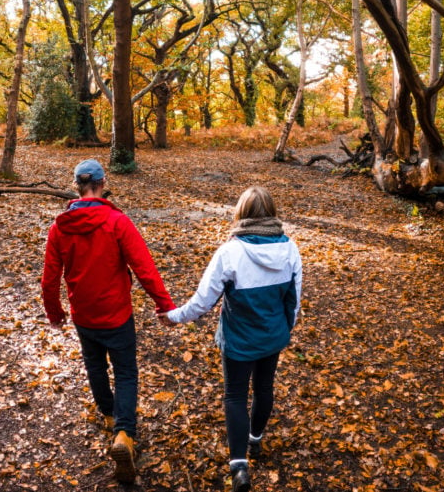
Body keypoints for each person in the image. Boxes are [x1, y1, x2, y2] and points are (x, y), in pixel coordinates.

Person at [159, 186, 302, 492]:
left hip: (238, 341)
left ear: (242, 213)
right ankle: (256, 440)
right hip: (272, 336)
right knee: (264, 388)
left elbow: (203, 301)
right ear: (272, 213)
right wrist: (284, 330)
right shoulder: (290, 248)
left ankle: (239, 467)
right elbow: (294, 299)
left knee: (235, 395)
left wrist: (175, 316)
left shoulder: (230, 252)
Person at [41, 158, 176, 483]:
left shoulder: (60, 227)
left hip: (84, 315)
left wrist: (55, 313)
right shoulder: (117, 222)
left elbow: (49, 279)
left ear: (77, 187)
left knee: (95, 364)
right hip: (116, 315)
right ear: (102, 184)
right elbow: (144, 268)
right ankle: (124, 434)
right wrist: (165, 306)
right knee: (126, 372)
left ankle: (108, 413)